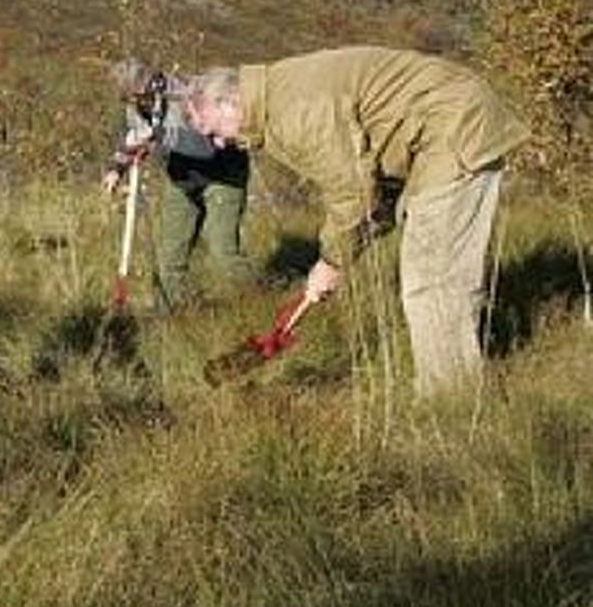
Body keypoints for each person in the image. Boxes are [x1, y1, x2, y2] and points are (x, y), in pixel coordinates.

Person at [184, 46, 528, 396]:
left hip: (454, 127)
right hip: (432, 133)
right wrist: (348, 249)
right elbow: (368, 186)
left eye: (213, 130)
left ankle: (452, 398)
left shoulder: (295, 110)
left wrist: (332, 260)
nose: (219, 143)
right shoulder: (275, 98)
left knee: (431, 275)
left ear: (229, 103)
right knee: (429, 268)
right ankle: (454, 387)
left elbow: (352, 192)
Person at [100, 58, 254, 310]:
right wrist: (117, 168)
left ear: (149, 83)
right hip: (182, 179)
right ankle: (179, 314)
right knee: (170, 258)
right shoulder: (135, 106)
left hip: (224, 175)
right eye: (130, 99)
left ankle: (257, 304)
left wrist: (158, 135)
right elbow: (134, 136)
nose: (136, 102)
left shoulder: (187, 96)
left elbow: (207, 148)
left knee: (222, 252)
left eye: (139, 94)